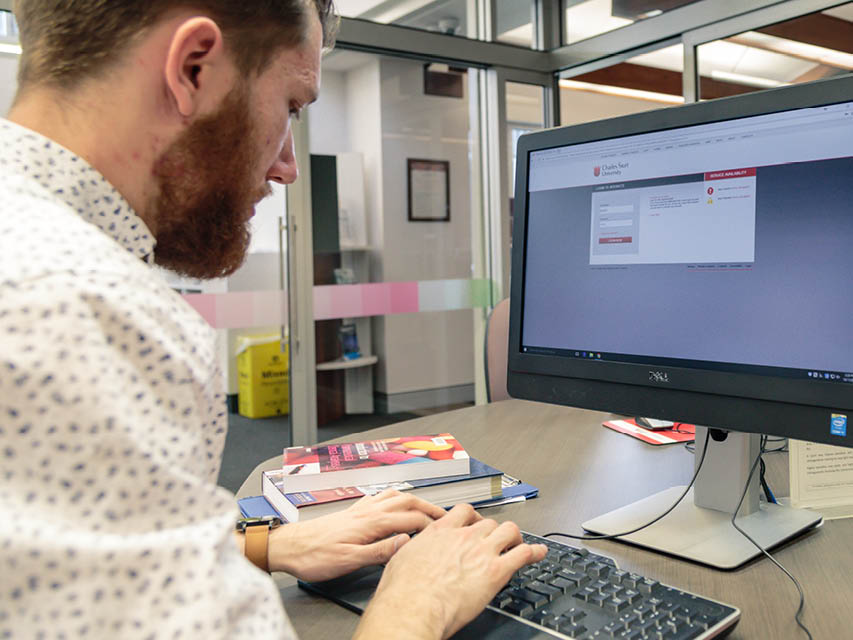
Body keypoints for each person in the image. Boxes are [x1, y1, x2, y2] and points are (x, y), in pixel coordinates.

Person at [0, 1, 547, 638]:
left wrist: (261, 547)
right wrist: (417, 605)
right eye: (290, 106)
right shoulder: (85, 311)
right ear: (193, 67)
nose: (287, 165)